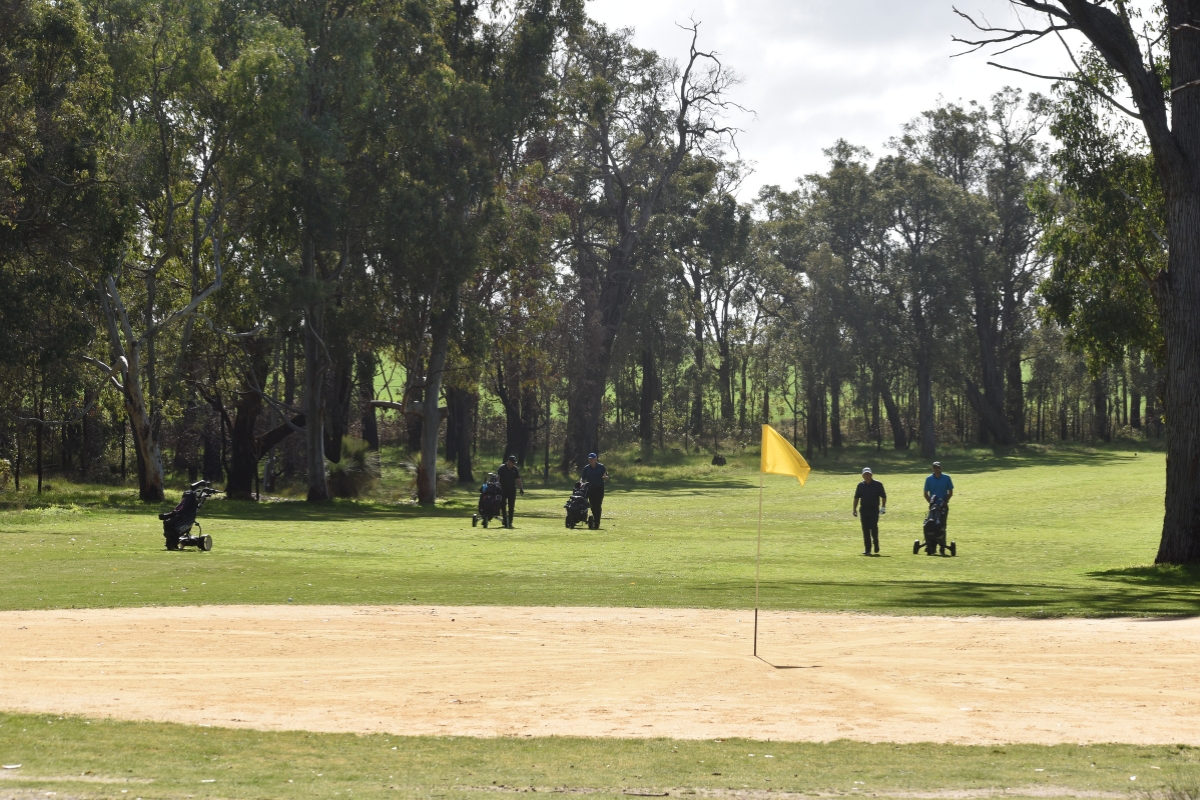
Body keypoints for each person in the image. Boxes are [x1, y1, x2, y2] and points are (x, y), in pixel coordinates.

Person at [852, 467, 887, 556]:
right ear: (862, 476)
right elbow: (856, 497)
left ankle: (875, 542)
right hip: (864, 509)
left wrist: (883, 507)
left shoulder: (878, 484)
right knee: (865, 529)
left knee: (873, 527)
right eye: (865, 475)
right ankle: (867, 549)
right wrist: (854, 509)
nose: (867, 476)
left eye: (868, 474)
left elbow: (883, 496)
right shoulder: (860, 485)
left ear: (871, 475)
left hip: (874, 509)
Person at [579, 452, 609, 529]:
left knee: (598, 505)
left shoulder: (601, 467)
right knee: (592, 505)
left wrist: (605, 477)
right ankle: (594, 520)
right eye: (590, 459)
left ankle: (597, 522)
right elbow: (583, 478)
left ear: (596, 459)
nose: (591, 460)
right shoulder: (586, 468)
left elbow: (606, 476)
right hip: (590, 489)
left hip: (599, 489)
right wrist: (581, 482)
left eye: (592, 459)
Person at [923, 461, 954, 529]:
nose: (936, 469)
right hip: (933, 506)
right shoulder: (929, 479)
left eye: (938, 467)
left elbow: (950, 492)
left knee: (942, 525)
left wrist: (945, 502)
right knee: (931, 523)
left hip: (943, 505)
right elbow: (925, 494)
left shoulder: (947, 478)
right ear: (932, 469)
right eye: (935, 467)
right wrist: (931, 503)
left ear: (941, 468)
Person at [496, 455, 524, 529]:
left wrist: (521, 488)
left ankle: (510, 522)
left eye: (514, 462)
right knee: (503, 505)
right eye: (512, 462)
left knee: (511, 506)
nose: (513, 464)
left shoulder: (515, 469)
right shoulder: (502, 468)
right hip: (503, 489)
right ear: (508, 462)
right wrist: (498, 483)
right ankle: (505, 520)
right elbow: (498, 477)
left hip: (512, 489)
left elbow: (518, 479)